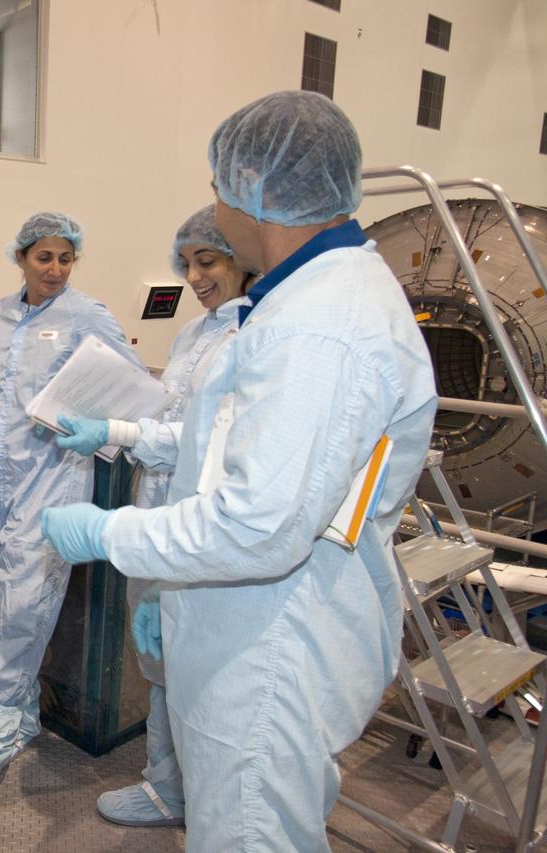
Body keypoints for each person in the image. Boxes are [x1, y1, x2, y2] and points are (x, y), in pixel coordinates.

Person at [42, 91, 437, 850]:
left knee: (249, 831)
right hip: (246, 627)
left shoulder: (322, 328)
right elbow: (223, 450)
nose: (215, 211)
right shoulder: (302, 305)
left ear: (258, 191)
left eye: (221, 189)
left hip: (270, 651)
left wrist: (111, 532)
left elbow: (258, 525)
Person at [0, 212, 146, 820]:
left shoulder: (87, 313)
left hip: (52, 475)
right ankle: (18, 710)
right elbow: (11, 367)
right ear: (21, 258)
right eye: (43, 258)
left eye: (65, 258)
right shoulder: (5, 312)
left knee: (24, 600)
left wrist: (97, 423)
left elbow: (131, 382)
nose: (55, 270)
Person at [55, 205, 253, 828]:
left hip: (203, 527)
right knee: (163, 670)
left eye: (209, 261)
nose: (195, 277)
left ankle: (212, 800)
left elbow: (199, 441)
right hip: (158, 511)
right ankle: (168, 787)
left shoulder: (255, 337)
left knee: (210, 680)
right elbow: (172, 420)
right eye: (188, 264)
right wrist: (118, 424)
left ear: (241, 258)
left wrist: (117, 429)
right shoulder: (196, 333)